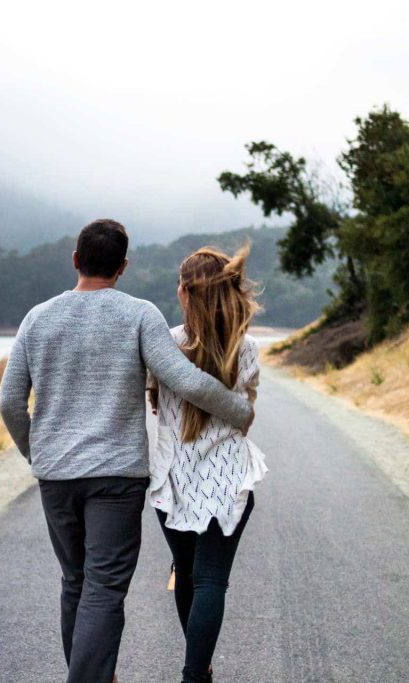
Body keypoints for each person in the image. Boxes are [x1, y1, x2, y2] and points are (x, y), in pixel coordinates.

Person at [0, 219, 254, 683]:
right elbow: (186, 380)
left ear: (75, 260)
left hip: (56, 477)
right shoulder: (138, 314)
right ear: (123, 267)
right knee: (103, 588)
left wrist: (36, 453)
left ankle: (95, 674)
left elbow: (9, 402)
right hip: (116, 478)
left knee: (74, 582)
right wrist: (239, 410)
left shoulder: (37, 318)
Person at [147, 244, 267, 683]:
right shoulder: (247, 346)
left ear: (184, 293)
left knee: (187, 574)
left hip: (173, 483)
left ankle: (200, 669)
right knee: (212, 578)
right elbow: (246, 411)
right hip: (228, 480)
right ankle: (195, 673)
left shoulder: (165, 346)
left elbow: (155, 402)